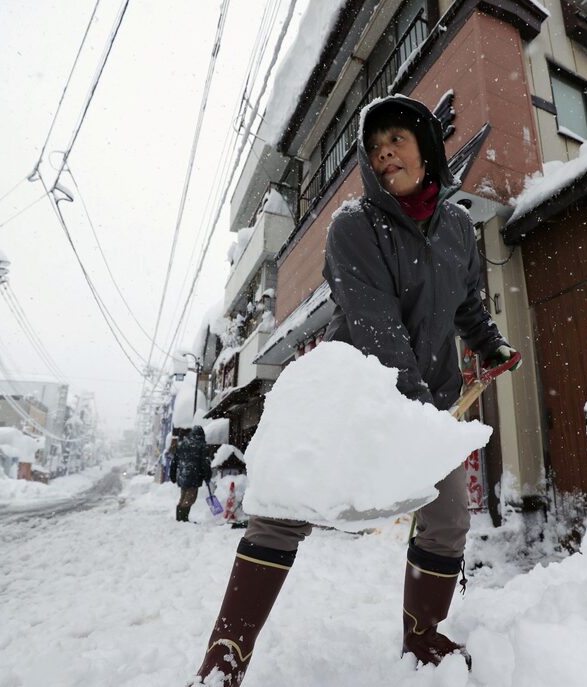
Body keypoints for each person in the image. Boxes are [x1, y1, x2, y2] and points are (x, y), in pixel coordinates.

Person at [194, 94, 518, 685]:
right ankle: (225, 657)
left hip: (431, 397)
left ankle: (422, 640)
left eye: (396, 140)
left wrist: (489, 341)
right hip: (356, 392)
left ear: (425, 149)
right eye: (374, 147)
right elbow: (375, 327)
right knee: (282, 511)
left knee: (445, 520)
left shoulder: (457, 228)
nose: (383, 152)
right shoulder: (353, 226)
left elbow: (467, 300)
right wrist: (422, 412)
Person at [172, 425, 211, 522]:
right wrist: (207, 475)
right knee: (190, 498)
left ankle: (179, 518)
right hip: (194, 476)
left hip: (183, 475)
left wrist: (172, 474)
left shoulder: (183, 444)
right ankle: (183, 519)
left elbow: (175, 460)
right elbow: (204, 463)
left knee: (183, 497)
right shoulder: (201, 445)